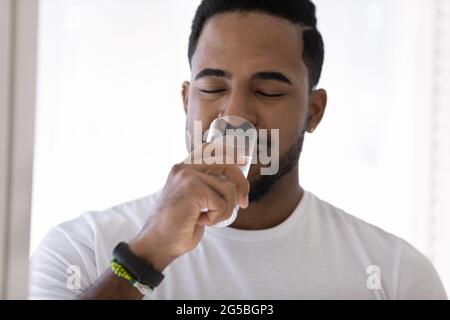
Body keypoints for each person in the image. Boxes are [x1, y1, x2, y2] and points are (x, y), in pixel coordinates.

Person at [29, 0, 447, 300]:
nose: (235, 114)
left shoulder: (394, 276)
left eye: (268, 90)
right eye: (213, 89)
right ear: (185, 102)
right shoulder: (82, 251)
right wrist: (145, 258)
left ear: (313, 112)